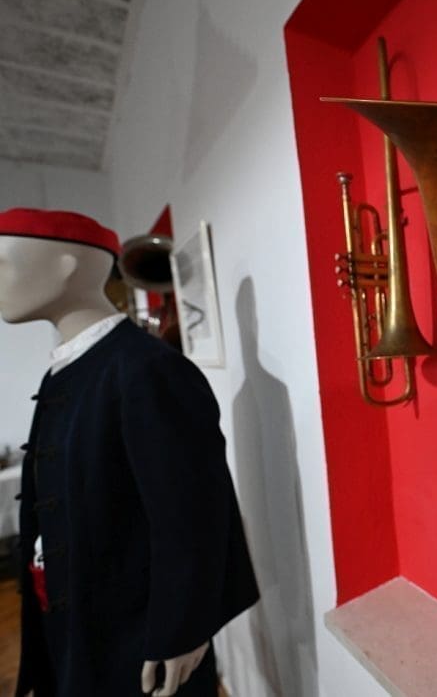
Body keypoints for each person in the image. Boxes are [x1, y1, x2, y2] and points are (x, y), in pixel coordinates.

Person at [0, 208, 259, 696]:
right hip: (83, 621)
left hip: (134, 641)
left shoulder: (146, 368)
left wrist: (182, 630)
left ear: (66, 266)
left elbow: (192, 515)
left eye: (3, 264)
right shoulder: (64, 371)